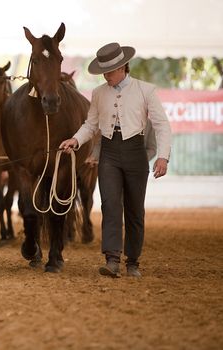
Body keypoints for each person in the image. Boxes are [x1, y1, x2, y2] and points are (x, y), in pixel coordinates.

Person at [59, 42, 172, 278]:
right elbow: (91, 125)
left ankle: (133, 261)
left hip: (135, 151)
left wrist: (163, 156)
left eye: (109, 71)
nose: (106, 76)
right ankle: (112, 260)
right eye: (103, 72)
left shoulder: (145, 90)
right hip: (109, 151)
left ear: (122, 67)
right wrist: (75, 140)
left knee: (134, 209)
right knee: (110, 205)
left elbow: (162, 125)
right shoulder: (98, 93)